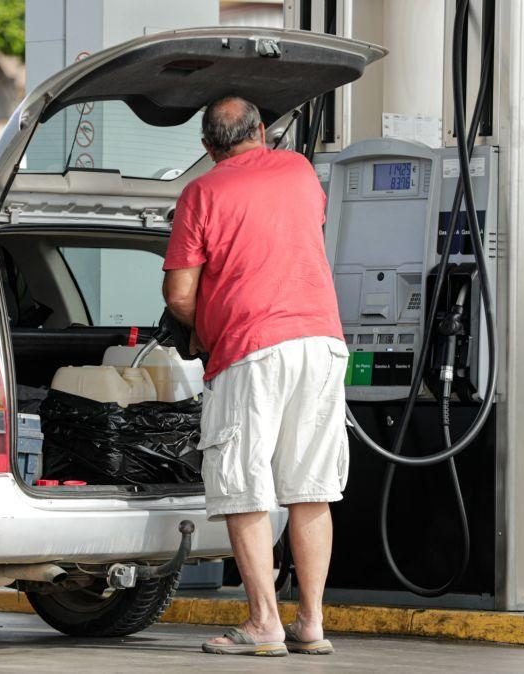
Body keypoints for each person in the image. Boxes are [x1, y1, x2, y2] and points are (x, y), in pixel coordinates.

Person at [162, 95, 349, 657]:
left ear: (205, 147)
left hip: (252, 350)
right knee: (310, 488)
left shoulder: (200, 192)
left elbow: (179, 293)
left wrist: (204, 330)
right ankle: (311, 622)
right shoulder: (299, 171)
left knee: (245, 489)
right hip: (322, 341)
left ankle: (265, 624)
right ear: (262, 131)